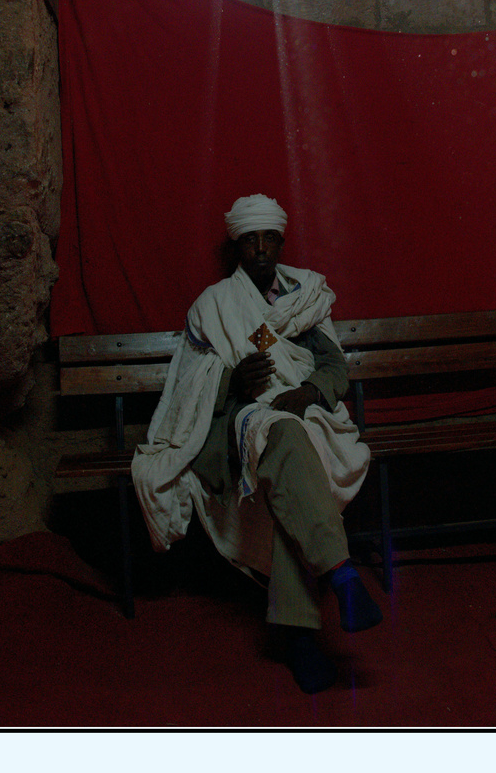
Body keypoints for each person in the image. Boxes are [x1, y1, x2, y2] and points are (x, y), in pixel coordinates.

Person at [130, 193, 382, 693]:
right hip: (238, 421)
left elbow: (333, 368)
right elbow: (190, 390)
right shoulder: (215, 306)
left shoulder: (304, 296)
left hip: (303, 413)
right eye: (250, 240)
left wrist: (308, 391)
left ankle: (300, 638)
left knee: (291, 460)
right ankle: (339, 573)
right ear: (238, 246)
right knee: (285, 440)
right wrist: (234, 380)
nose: (261, 248)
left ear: (281, 242)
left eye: (269, 238)